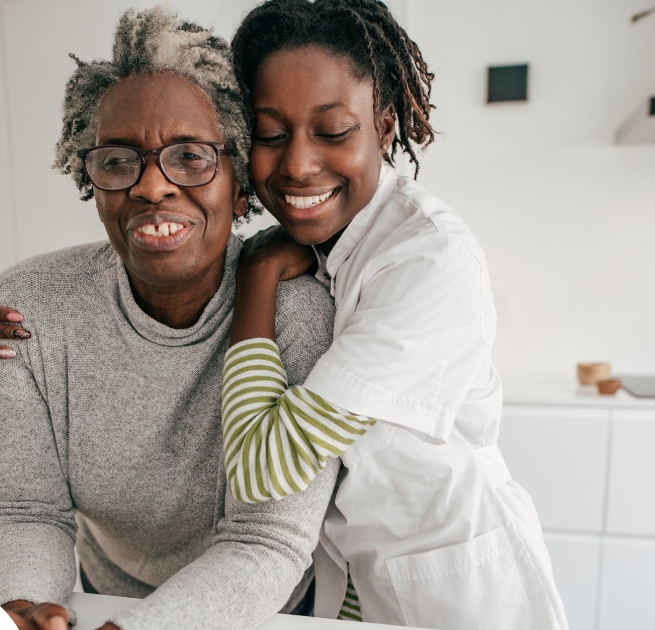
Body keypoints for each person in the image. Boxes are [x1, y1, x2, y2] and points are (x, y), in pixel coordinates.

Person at [0, 8, 339, 630]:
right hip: (100, 598)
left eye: (189, 156)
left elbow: (265, 538)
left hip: (258, 611)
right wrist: (20, 605)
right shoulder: (26, 308)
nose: (151, 187)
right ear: (94, 183)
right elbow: (20, 509)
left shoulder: (300, 313)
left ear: (240, 181)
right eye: (118, 160)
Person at [218, 1, 570, 628]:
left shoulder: (427, 258)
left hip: (456, 594)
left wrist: (257, 274)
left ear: (383, 128)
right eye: (271, 134)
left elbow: (262, 464)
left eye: (332, 132)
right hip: (359, 586)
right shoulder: (328, 243)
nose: (297, 163)